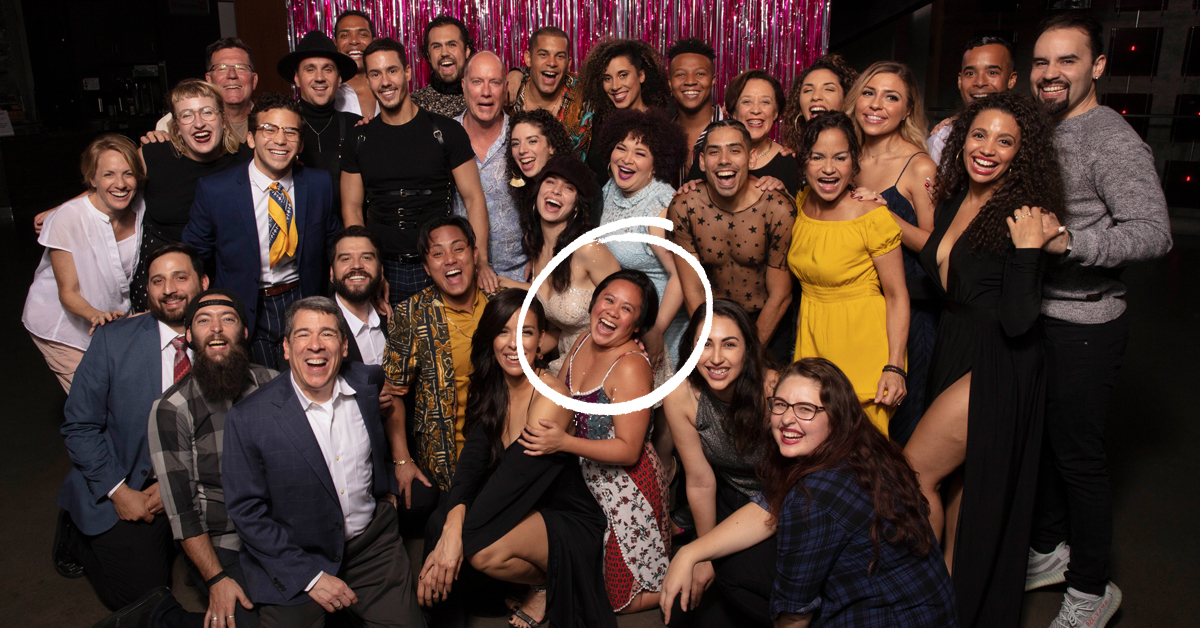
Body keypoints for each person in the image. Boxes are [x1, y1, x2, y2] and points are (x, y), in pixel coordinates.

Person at [1026, 15, 1173, 628]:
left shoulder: (1111, 138)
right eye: (1041, 62)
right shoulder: (1038, 129)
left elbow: (1153, 233)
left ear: (1097, 67)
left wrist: (1069, 244)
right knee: (1045, 448)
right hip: (1034, 317)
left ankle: (1091, 588)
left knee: (1078, 458)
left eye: (1067, 61)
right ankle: (1050, 549)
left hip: (1085, 323)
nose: (1052, 73)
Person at [902, 91, 1064, 628]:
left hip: (999, 360)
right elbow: (940, 262)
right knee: (961, 488)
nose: (988, 148)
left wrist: (1027, 252)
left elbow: (1020, 319)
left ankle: (923, 592)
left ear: (1022, 154)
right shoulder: (954, 198)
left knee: (914, 471)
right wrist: (883, 215)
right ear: (961, 136)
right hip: (956, 343)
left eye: (1005, 141)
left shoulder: (1021, 215)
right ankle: (953, 605)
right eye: (979, 134)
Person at [661, 358, 958, 627]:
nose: (787, 419)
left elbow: (795, 615)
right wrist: (690, 552)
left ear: (837, 416)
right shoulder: (863, 450)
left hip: (886, 617)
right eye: (780, 405)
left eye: (806, 409)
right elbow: (769, 503)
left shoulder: (815, 496)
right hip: (930, 607)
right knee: (733, 568)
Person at [222, 297, 425, 627]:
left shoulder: (366, 383)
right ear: (286, 348)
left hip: (372, 548)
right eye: (303, 335)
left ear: (344, 347)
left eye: (328, 334)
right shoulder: (249, 419)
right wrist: (309, 577)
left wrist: (387, 485)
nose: (315, 345)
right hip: (297, 557)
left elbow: (382, 430)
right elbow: (246, 511)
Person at [417, 290, 614, 628]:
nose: (512, 343)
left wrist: (454, 535)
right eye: (503, 331)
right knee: (442, 521)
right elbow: (471, 463)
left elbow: (514, 478)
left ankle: (541, 585)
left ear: (540, 342)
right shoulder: (492, 387)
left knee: (477, 547)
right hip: (516, 502)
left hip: (561, 516)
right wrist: (451, 525)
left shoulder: (552, 395)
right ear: (490, 339)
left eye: (525, 331)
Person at [94, 290, 275, 628]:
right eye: (204, 321)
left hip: (278, 531)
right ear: (189, 336)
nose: (217, 329)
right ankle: (160, 617)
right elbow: (183, 511)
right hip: (225, 542)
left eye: (228, 319)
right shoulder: (171, 408)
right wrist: (216, 578)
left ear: (245, 332)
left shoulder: (275, 385)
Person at [55, 244, 209, 611]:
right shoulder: (114, 340)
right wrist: (119, 492)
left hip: (193, 484)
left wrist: (180, 481)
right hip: (130, 484)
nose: (169, 288)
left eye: (180, 277)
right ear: (149, 291)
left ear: (203, 282)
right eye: (158, 281)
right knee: (141, 600)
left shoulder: (219, 337)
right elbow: (79, 425)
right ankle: (76, 530)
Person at [521, 269, 670, 615]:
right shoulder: (583, 340)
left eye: (627, 309)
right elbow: (558, 399)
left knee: (613, 599)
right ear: (594, 303)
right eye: (608, 299)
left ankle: (687, 579)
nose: (612, 312)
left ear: (636, 325)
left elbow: (629, 449)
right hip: (580, 476)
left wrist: (563, 443)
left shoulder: (632, 366)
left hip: (627, 488)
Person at [183, 92, 341, 369]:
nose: (280, 140)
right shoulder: (216, 190)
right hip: (246, 305)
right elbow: (193, 256)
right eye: (269, 129)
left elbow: (333, 243)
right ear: (251, 138)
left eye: (290, 131)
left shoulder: (319, 184)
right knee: (260, 395)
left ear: (301, 142)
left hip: (301, 299)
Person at [340, 37, 496, 306]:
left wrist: (479, 261)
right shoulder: (358, 139)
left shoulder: (446, 132)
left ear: (408, 72)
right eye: (375, 74)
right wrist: (369, 270)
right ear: (368, 81)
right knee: (393, 346)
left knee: (448, 344)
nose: (385, 82)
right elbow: (352, 209)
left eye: (392, 70)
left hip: (441, 265)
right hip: (386, 268)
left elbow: (473, 199)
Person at [789, 112, 909, 435]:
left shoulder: (871, 215)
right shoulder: (801, 204)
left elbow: (897, 295)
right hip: (813, 347)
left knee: (863, 464)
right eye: (818, 157)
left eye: (840, 157)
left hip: (863, 349)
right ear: (804, 163)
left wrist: (895, 366)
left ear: (854, 163)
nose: (829, 168)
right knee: (815, 456)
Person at [383, 216, 501, 534]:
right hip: (444, 459)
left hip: (499, 450)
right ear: (426, 266)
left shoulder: (498, 307)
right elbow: (392, 393)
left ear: (475, 254)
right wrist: (402, 460)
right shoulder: (412, 314)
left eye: (458, 248)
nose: (450, 259)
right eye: (437, 253)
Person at [661, 300, 776, 624]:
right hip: (731, 497)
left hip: (784, 502)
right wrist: (705, 553)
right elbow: (700, 480)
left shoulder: (775, 392)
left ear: (748, 350)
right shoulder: (681, 394)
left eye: (729, 344)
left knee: (736, 577)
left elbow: (788, 489)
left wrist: (703, 554)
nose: (715, 358)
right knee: (688, 606)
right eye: (704, 344)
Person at [846, 61, 939, 445]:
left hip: (908, 315)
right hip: (854, 311)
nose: (876, 104)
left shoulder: (919, 166)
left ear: (907, 109)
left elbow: (937, 250)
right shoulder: (844, 158)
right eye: (869, 93)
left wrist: (884, 216)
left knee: (896, 435)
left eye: (891, 97)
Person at [668, 119, 795, 364]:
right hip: (711, 322)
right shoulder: (685, 206)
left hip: (767, 325)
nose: (724, 159)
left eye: (735, 150)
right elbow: (693, 289)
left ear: (751, 158)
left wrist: (746, 356)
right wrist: (711, 343)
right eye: (714, 151)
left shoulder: (777, 208)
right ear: (703, 162)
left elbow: (781, 296)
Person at [24, 134, 145, 392]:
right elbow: (68, 291)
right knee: (93, 400)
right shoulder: (67, 219)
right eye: (108, 175)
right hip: (63, 327)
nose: (120, 183)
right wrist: (96, 315)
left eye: (128, 174)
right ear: (93, 180)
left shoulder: (143, 208)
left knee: (124, 394)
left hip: (112, 321)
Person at [507, 156, 620, 375]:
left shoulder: (587, 249)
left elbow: (629, 306)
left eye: (568, 187)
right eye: (550, 182)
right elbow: (561, 326)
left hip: (607, 358)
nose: (556, 191)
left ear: (577, 205)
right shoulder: (536, 245)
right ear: (538, 190)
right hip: (568, 355)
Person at [595, 108, 688, 373]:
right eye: (621, 148)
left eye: (640, 154)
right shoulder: (611, 187)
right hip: (626, 318)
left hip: (660, 325)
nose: (626, 160)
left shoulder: (660, 204)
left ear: (657, 164)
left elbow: (682, 274)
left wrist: (657, 329)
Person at [453, 52, 525, 281]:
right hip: (460, 276)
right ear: (464, 86)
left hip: (518, 275)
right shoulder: (444, 136)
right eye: (477, 82)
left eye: (494, 82)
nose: (486, 92)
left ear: (505, 88)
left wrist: (543, 253)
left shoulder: (524, 135)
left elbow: (549, 196)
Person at [278, 31, 362, 213]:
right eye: (310, 69)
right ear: (296, 78)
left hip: (345, 232)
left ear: (339, 78)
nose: (319, 77)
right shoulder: (280, 129)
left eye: (327, 69)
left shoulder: (356, 126)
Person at [687, 70, 800, 198]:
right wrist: (690, 189)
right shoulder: (712, 154)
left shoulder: (790, 162)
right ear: (733, 111)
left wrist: (783, 196)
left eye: (765, 102)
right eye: (747, 102)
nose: (756, 110)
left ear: (775, 112)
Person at [581, 39, 672, 179]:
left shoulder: (661, 124)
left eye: (623, 75)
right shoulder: (599, 123)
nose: (615, 86)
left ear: (641, 75)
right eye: (607, 78)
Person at [505, 27, 593, 160]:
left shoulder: (586, 93)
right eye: (543, 54)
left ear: (568, 63)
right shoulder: (509, 94)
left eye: (560, 56)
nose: (552, 63)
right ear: (528, 58)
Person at [928, 37, 1018, 164]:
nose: (980, 82)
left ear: (1011, 80)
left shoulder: (1029, 133)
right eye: (970, 73)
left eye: (992, 72)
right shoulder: (942, 140)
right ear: (960, 81)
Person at [156, 38, 258, 143]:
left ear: (254, 80)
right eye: (222, 68)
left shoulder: (270, 120)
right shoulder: (173, 123)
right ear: (209, 80)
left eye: (241, 67)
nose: (232, 75)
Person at [330, 226, 387, 365]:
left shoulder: (394, 320)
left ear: (380, 271)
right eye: (346, 259)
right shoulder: (319, 327)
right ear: (331, 273)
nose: (356, 265)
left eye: (366, 257)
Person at [782, 53, 858, 155]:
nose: (816, 96)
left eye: (829, 89)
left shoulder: (863, 157)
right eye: (808, 90)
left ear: (846, 99)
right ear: (799, 106)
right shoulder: (791, 158)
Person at [667, 38, 724, 174]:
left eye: (700, 73)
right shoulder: (661, 134)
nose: (690, 81)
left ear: (713, 80)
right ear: (670, 83)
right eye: (680, 74)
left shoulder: (737, 128)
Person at [411, 15, 472, 118]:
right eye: (437, 47)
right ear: (429, 56)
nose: (444, 53)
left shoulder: (482, 97)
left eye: (452, 45)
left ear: (466, 51)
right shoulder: (414, 104)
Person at [333, 10, 379, 119]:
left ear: (373, 42)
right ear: (335, 44)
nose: (354, 41)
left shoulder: (390, 87)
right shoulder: (326, 92)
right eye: (345, 35)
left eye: (362, 34)